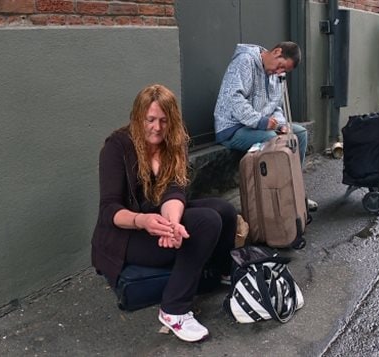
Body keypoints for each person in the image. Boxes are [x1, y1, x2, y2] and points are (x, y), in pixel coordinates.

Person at [91, 84, 236, 343]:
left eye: (163, 121)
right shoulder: (117, 148)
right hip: (126, 234)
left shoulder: (173, 143)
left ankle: (220, 272)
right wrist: (143, 221)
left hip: (158, 220)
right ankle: (174, 310)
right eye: (150, 120)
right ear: (138, 117)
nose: (157, 128)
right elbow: (109, 210)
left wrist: (172, 224)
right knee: (207, 222)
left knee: (224, 211)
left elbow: (174, 193)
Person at [214, 41, 318, 210]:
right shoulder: (245, 61)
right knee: (272, 140)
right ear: (276, 52)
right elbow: (235, 99)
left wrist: (282, 125)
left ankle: (294, 192)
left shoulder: (276, 75)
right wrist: (262, 122)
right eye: (280, 66)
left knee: (299, 134)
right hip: (233, 128)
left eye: (284, 71)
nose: (279, 72)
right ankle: (274, 198)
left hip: (258, 126)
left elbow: (275, 106)